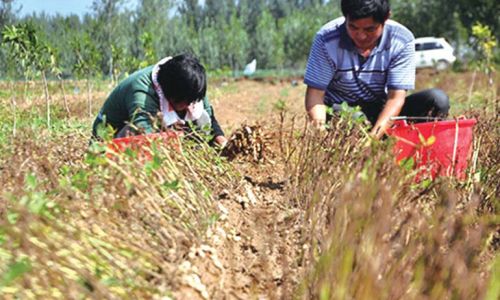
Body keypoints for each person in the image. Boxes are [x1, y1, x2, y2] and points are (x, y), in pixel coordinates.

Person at [304, 0, 450, 138]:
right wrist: (321, 135)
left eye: (370, 29)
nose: (361, 36)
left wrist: (373, 140)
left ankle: (412, 151)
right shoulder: (327, 39)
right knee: (352, 118)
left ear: (386, 18)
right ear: (345, 18)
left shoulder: (401, 40)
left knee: (437, 100)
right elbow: (315, 95)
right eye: (353, 27)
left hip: (383, 109)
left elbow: (395, 98)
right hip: (343, 110)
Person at [92, 53, 227, 147]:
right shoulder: (141, 91)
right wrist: (174, 136)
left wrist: (221, 141)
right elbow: (144, 136)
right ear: (170, 94)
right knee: (136, 131)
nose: (188, 107)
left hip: (162, 127)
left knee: (202, 120)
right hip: (110, 140)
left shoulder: (192, 85)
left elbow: (209, 118)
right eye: (183, 103)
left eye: (191, 102)